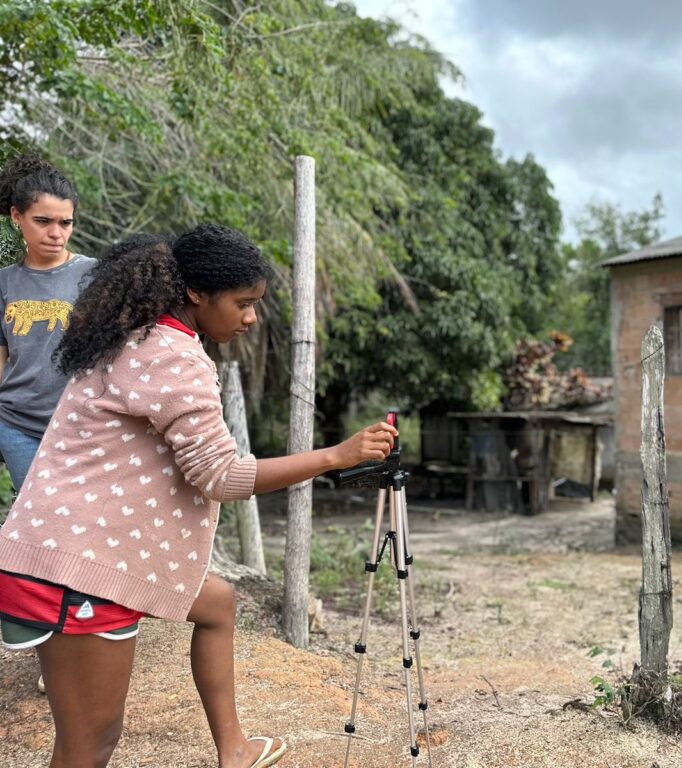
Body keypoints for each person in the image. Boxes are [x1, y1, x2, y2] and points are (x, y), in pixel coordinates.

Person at [0, 225, 398, 768]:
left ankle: (233, 750)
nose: (251, 318)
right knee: (89, 745)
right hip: (74, 566)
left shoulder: (140, 336)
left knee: (216, 604)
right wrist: (337, 456)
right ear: (196, 294)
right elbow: (221, 477)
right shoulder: (170, 357)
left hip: (85, 547)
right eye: (244, 303)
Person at [0, 153, 96, 493]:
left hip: (84, 424)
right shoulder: (4, 282)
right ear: (16, 216)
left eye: (65, 223)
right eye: (43, 221)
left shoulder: (96, 275)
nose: (56, 233)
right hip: (17, 425)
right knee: (34, 518)